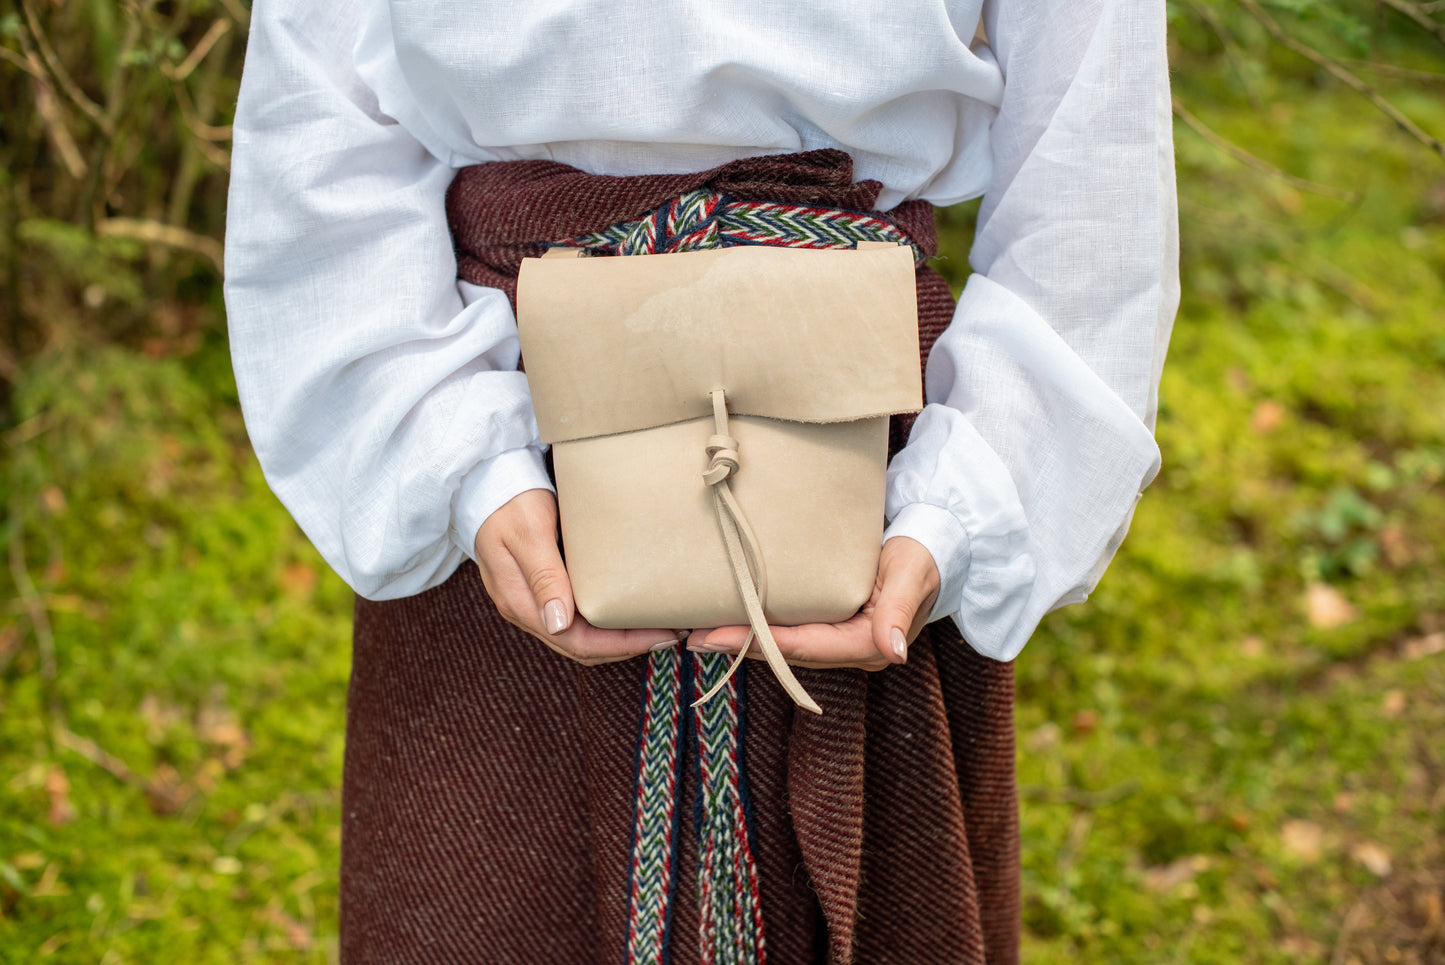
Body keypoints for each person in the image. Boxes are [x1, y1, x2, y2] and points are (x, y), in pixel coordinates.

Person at [224, 1, 1178, 962]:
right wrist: (455, 454)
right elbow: (322, 115)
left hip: (865, 438)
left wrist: (961, 503)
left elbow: (1090, 168)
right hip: (504, 411)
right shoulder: (464, 449)